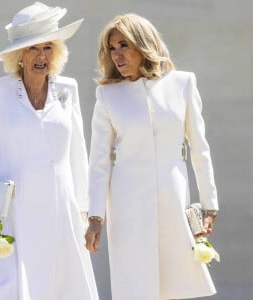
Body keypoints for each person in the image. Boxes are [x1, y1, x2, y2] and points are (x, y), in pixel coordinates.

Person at [0, 2, 98, 300]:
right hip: (12, 212)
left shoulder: (68, 89)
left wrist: (85, 212)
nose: (41, 56)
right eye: (33, 48)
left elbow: (79, 155)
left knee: (61, 288)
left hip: (60, 210)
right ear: (19, 55)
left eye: (48, 47)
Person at [85, 13, 219, 300]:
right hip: (126, 203)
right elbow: (98, 161)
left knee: (178, 282)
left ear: (143, 45)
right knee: (135, 283)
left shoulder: (182, 83)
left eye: (124, 45)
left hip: (173, 197)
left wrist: (210, 204)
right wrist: (95, 216)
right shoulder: (108, 95)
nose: (117, 55)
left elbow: (200, 148)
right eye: (112, 48)